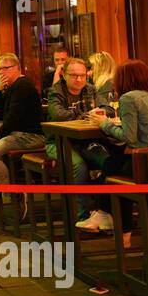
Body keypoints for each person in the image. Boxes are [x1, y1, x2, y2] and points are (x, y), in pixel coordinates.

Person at [79, 60, 148, 248]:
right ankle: (105, 216)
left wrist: (104, 123)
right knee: (114, 166)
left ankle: (112, 220)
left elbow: (129, 138)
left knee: (112, 169)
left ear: (123, 80)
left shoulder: (129, 99)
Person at [0, 54, 45, 217]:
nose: (1, 73)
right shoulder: (11, 86)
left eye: (5, 69)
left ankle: (12, 193)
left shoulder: (22, 86)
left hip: (30, 135)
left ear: (16, 68)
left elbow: (14, 116)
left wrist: (0, 134)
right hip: (15, 133)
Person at [45, 58, 97, 220]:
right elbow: (59, 115)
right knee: (79, 166)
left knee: (108, 161)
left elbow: (104, 109)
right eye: (74, 75)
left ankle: (103, 211)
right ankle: (83, 216)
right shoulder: (56, 91)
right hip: (57, 141)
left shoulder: (90, 89)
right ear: (64, 75)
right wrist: (84, 113)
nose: (79, 79)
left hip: (85, 140)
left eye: (82, 75)